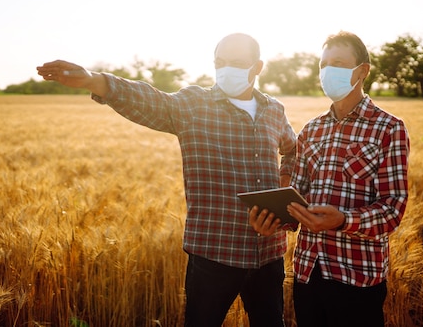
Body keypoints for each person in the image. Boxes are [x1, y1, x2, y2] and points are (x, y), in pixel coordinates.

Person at [37, 33, 297, 327]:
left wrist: (284, 183)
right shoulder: (193, 105)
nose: (226, 69)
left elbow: (292, 150)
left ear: (257, 67)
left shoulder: (273, 110)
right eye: (220, 62)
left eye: (236, 63)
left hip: (269, 254)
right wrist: (94, 81)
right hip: (215, 253)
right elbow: (148, 99)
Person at [250, 31, 409, 327]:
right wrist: (274, 221)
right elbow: (297, 198)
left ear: (362, 71)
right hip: (308, 272)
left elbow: (393, 209)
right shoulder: (312, 130)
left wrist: (343, 221)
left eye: (337, 62)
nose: (326, 71)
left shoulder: (389, 129)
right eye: (323, 65)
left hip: (357, 278)